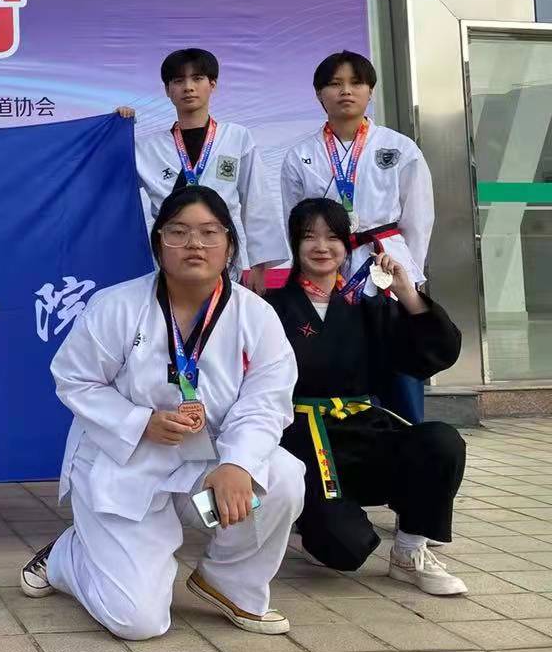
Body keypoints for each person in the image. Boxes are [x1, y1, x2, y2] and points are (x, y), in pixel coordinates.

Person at [19, 186, 304, 639]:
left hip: (206, 470)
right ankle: (68, 556)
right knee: (138, 622)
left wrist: (237, 463)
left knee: (281, 477)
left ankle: (229, 581)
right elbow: (74, 378)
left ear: (230, 245)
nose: (195, 245)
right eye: (179, 232)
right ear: (158, 243)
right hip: (128, 466)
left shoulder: (257, 316)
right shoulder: (117, 306)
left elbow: (266, 400)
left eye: (209, 233)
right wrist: (140, 422)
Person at [264, 198, 466, 594]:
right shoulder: (270, 307)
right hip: (303, 437)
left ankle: (409, 551)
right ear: (294, 243)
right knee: (345, 549)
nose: (322, 247)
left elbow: (432, 355)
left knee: (441, 442)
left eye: (333, 237)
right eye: (309, 237)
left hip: (363, 427)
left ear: (347, 245)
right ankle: (308, 521)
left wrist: (407, 294)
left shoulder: (368, 308)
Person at [280, 50, 434, 422]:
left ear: (370, 91)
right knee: (338, 355)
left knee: (397, 358)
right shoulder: (301, 155)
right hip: (328, 268)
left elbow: (418, 217)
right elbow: (294, 222)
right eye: (334, 84)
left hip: (384, 264)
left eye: (355, 83)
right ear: (319, 94)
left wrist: (408, 275)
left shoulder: (398, 148)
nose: (345, 91)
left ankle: (406, 433)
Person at [115, 48, 285, 294]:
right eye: (178, 81)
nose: (188, 87)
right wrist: (116, 130)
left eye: (197, 78)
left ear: (212, 84)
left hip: (221, 251)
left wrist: (260, 265)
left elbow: (256, 201)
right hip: (171, 252)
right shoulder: (147, 148)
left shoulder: (236, 137)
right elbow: (109, 185)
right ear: (167, 90)